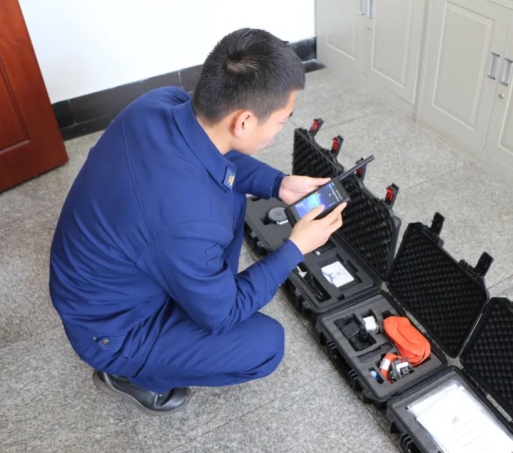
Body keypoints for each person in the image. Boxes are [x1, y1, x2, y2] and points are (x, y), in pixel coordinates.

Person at [49, 28, 346, 416]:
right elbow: (223, 314)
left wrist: (279, 183)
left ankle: (188, 299)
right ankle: (128, 375)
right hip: (112, 330)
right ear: (244, 121)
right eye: (281, 121)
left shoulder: (157, 103)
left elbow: (216, 152)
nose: (281, 128)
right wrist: (295, 248)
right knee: (266, 345)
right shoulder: (190, 221)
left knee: (225, 202)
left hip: (99, 278)